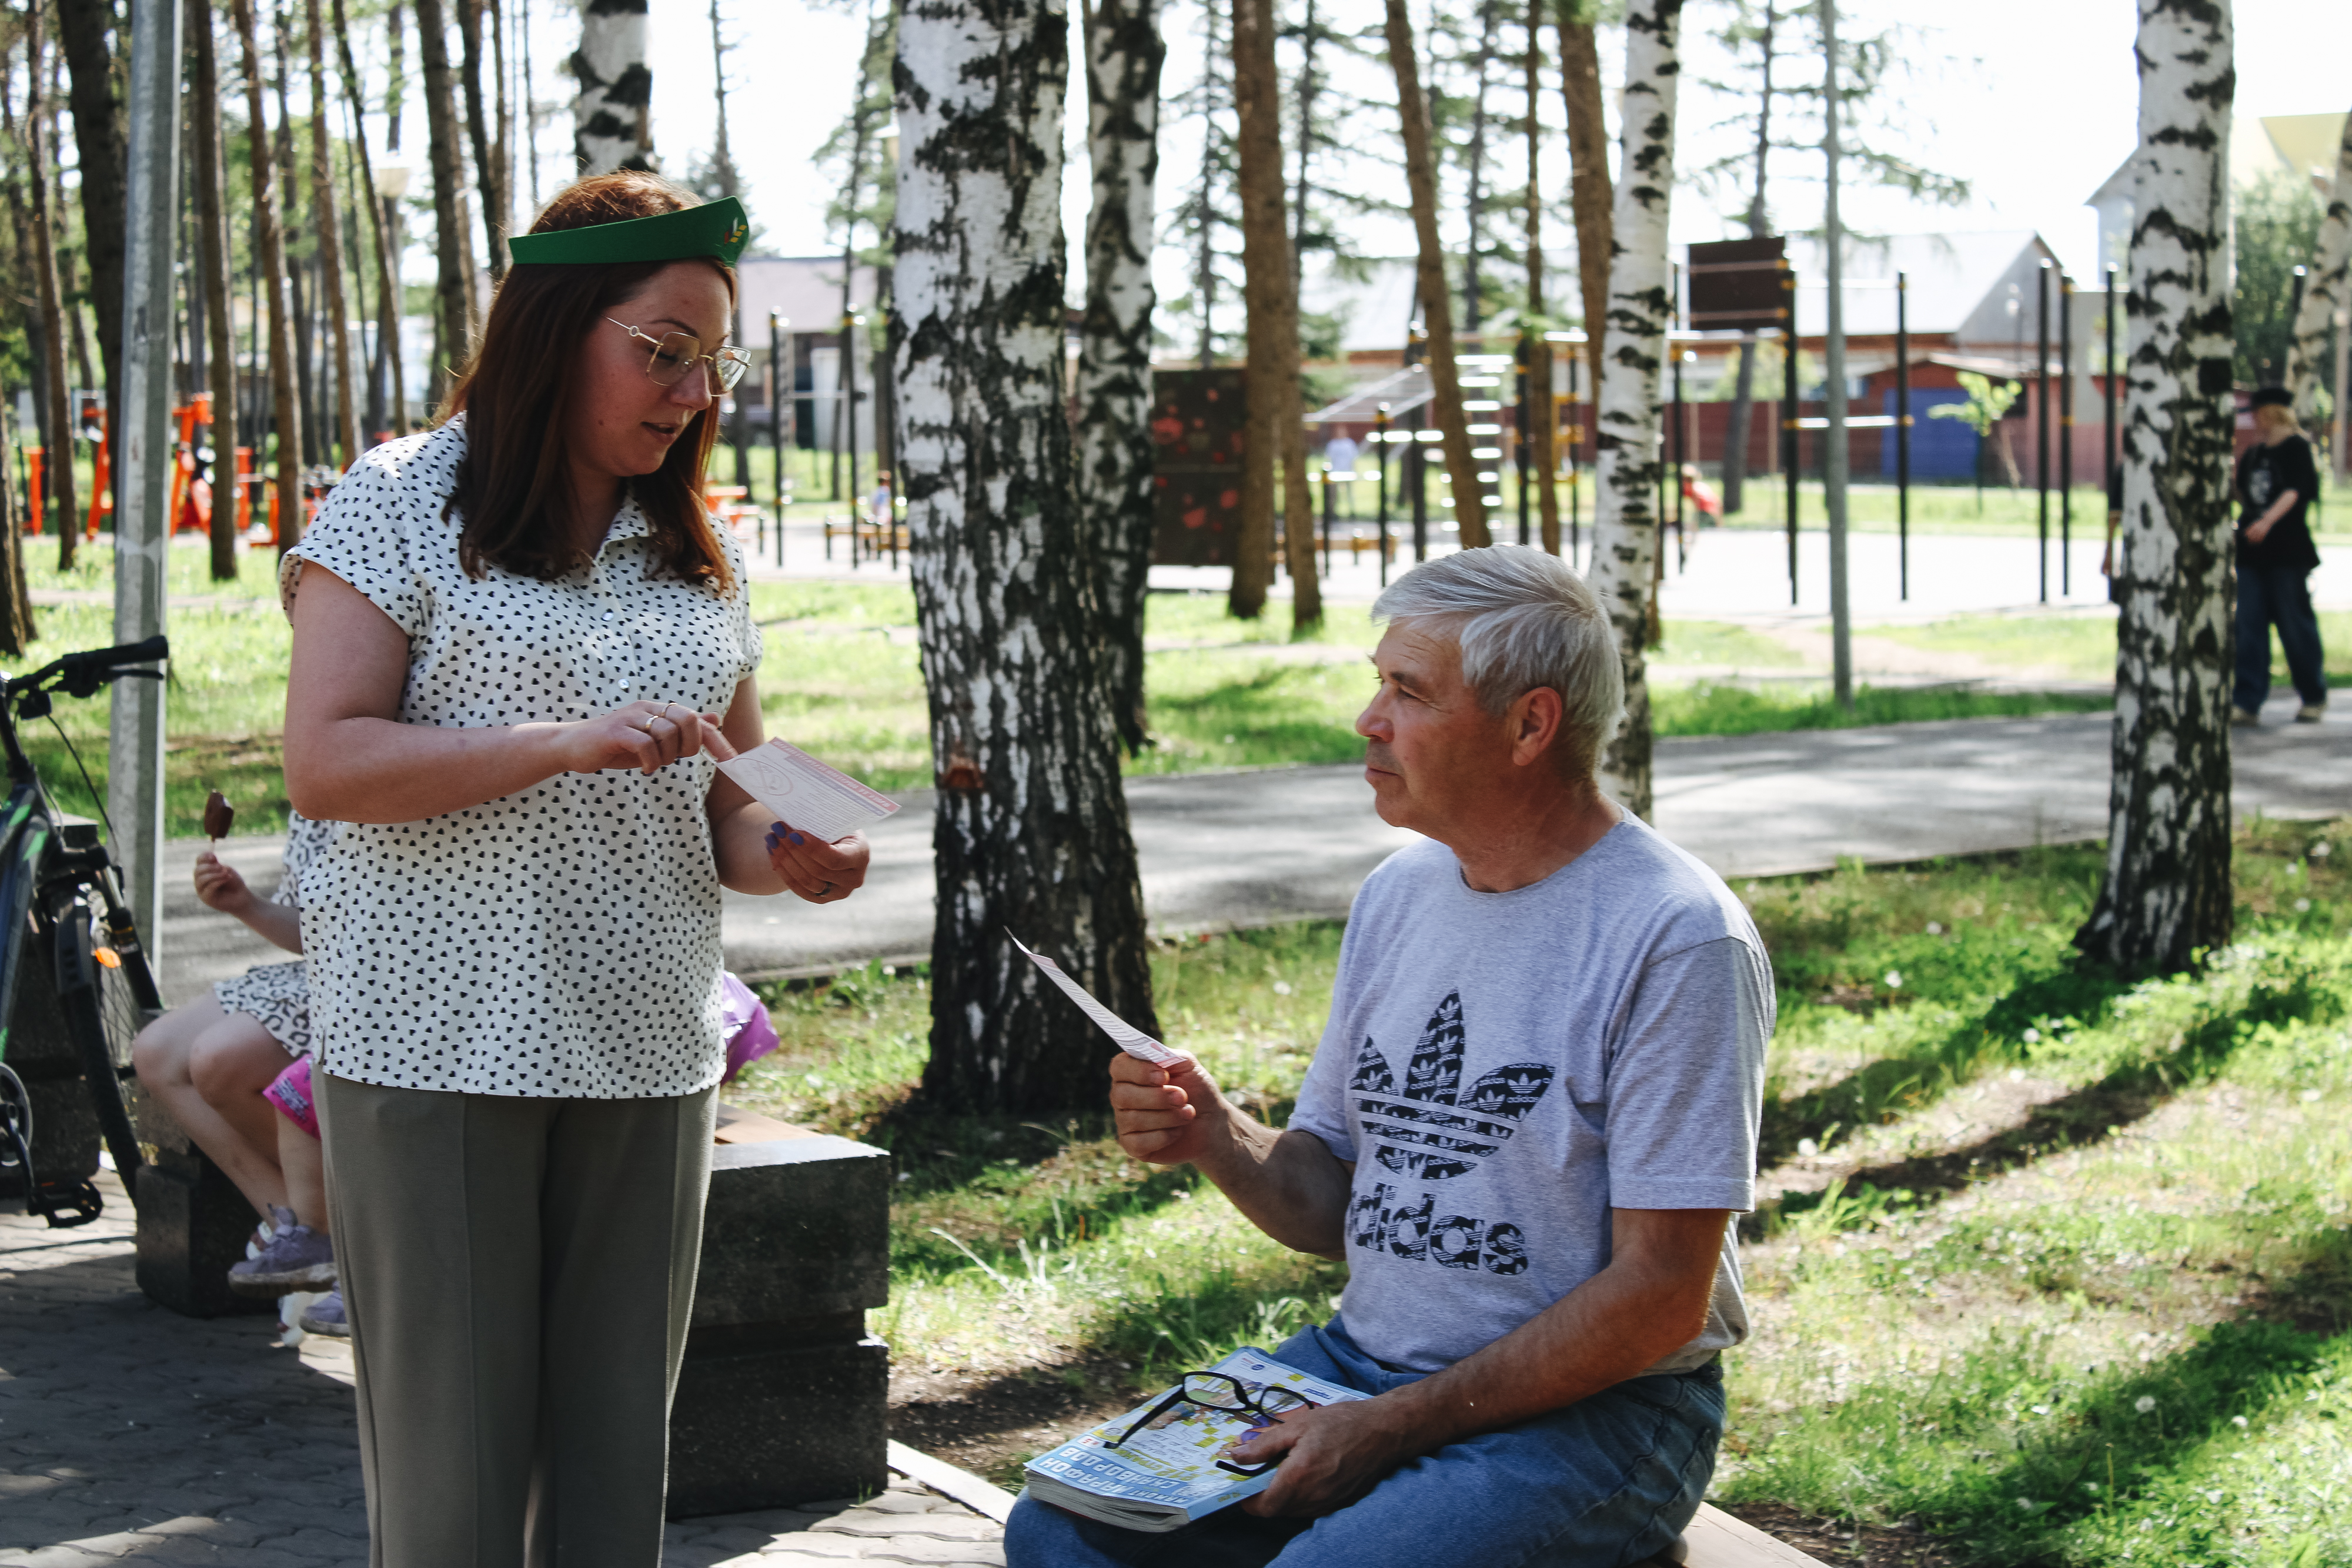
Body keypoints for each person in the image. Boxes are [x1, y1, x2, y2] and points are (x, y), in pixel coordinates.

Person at [279, 173, 871, 1567]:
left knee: (614, 1485)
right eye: (662, 350)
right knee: (457, 1494)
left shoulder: (697, 554)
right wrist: (556, 743)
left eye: (711, 363)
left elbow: (731, 803)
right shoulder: (399, 502)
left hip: (647, 1045)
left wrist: (797, 855)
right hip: (439, 1046)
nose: (690, 392)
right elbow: (328, 760)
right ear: (553, 329)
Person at [1007, 546, 1772, 1567]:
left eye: (1409, 692)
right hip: (1355, 1370)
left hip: (1603, 1416)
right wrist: (1217, 1138)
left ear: (1530, 725)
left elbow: (1663, 1295)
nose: (1369, 720)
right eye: (1379, 683)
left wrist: (1397, 1424)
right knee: (1062, 1532)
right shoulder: (1403, 892)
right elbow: (1333, 1205)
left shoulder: (1676, 936)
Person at [131, 811, 342, 1302]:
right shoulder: (312, 792)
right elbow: (312, 932)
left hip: (370, 985)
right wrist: (246, 905)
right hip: (314, 973)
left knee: (217, 1059)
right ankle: (299, 1227)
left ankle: (333, 1231)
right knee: (157, 1052)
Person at [2232, 386, 2326, 726]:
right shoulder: (2254, 453)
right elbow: (2245, 493)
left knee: (2294, 624)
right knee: (2249, 626)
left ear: (2272, 412)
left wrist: (2267, 522)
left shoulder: (2298, 448)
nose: (2254, 419)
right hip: (2252, 553)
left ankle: (2313, 695)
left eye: (2257, 413)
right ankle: (2247, 700)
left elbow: (2296, 490)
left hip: (2288, 550)